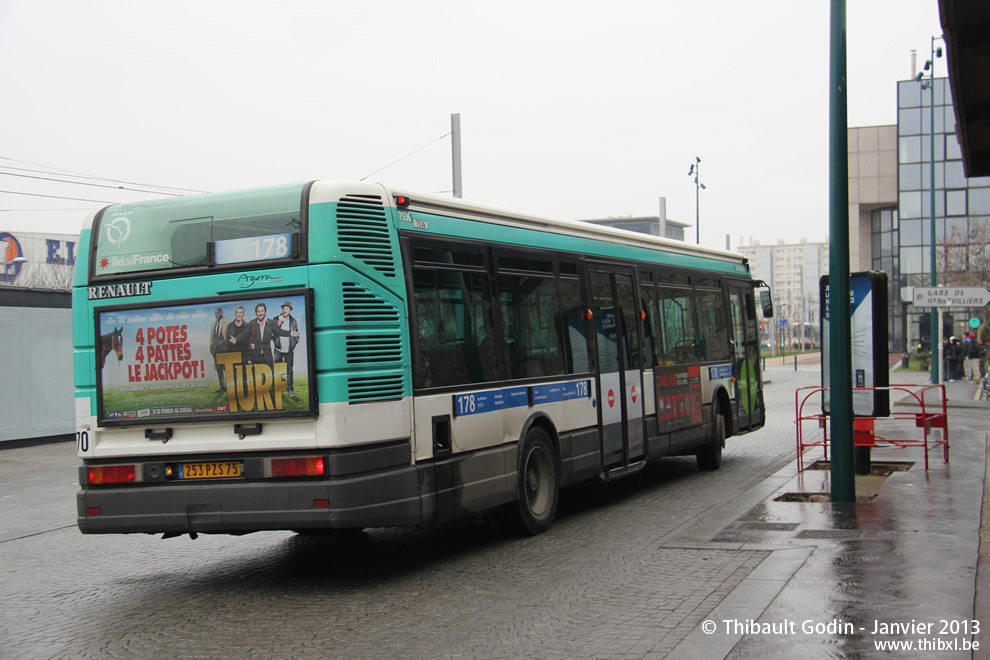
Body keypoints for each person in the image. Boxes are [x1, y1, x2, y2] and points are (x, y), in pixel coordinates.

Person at [274, 300, 301, 398]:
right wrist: (278, 323)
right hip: (278, 350)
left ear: (290, 310)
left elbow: (297, 335)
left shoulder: (293, 321)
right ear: (282, 309)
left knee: (289, 371)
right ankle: (278, 390)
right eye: (284, 308)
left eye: (287, 309)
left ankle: (290, 389)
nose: (285, 310)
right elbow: (273, 333)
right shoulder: (276, 319)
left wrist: (292, 345)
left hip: (289, 351)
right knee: (277, 371)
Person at [248, 302, 277, 366]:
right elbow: (246, 335)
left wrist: (290, 333)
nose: (260, 313)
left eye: (262, 311)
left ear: (265, 312)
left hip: (267, 356)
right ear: (256, 313)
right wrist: (236, 339)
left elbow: (278, 332)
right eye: (258, 311)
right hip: (255, 357)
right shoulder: (252, 323)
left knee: (270, 375)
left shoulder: (270, 322)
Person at [209, 307, 229, 392]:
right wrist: (211, 346)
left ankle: (229, 386)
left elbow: (228, 336)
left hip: (224, 350)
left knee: (226, 368)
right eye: (215, 313)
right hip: (216, 350)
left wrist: (227, 347)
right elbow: (211, 337)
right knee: (219, 369)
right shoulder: (214, 324)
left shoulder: (227, 323)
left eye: (218, 313)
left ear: (222, 313)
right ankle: (222, 387)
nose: (217, 315)